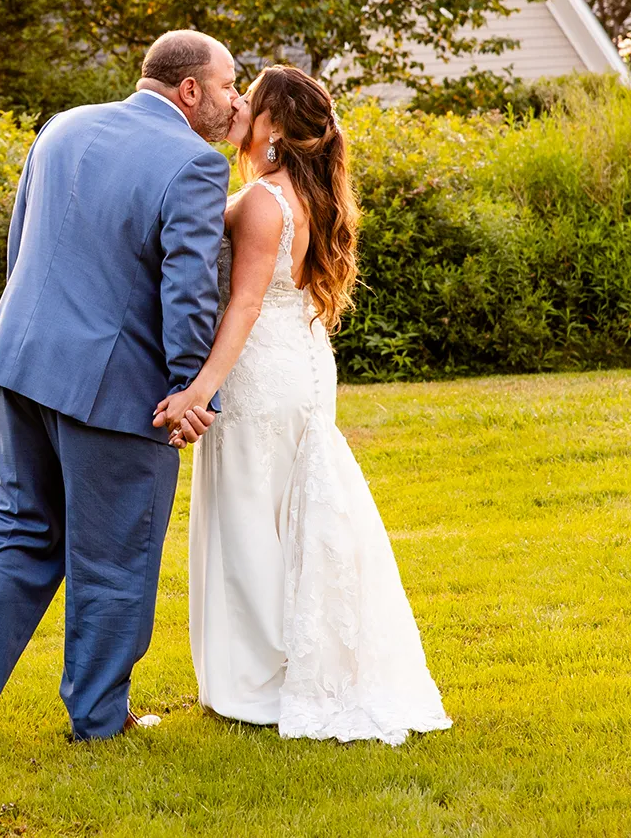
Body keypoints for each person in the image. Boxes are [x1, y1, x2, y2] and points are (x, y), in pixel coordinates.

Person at [0, 30, 238, 744]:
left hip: (22, 359)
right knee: (115, 551)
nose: (233, 99)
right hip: (116, 385)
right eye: (227, 85)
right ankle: (99, 718)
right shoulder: (195, 162)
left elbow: (22, 244)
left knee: (13, 527)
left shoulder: (62, 126)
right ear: (189, 90)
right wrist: (189, 390)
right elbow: (188, 291)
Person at [156, 65, 451, 745]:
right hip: (305, 362)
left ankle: (259, 679)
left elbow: (248, 302)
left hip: (262, 370)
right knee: (287, 511)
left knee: (253, 517)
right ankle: (288, 661)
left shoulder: (263, 199)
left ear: (276, 127)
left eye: (249, 104)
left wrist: (199, 390)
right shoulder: (312, 193)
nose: (239, 109)